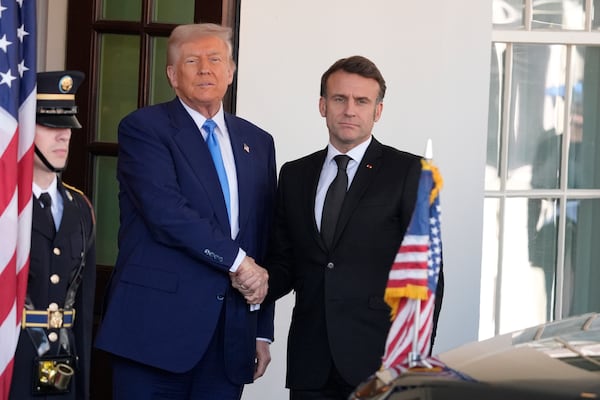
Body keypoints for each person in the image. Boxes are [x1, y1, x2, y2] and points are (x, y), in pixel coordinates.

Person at [94, 23, 277, 400]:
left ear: (231, 71)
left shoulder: (257, 142)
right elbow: (166, 212)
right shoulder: (144, 129)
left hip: (229, 338)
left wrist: (260, 329)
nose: (205, 69)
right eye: (192, 61)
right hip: (154, 334)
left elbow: (262, 235)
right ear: (173, 76)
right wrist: (239, 264)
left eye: (215, 59)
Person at [259, 56, 444, 399]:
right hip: (310, 361)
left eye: (362, 101)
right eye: (339, 99)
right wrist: (256, 282)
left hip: (381, 361)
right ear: (322, 105)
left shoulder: (409, 172)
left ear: (378, 111)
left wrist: (414, 357)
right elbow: (285, 262)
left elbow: (427, 274)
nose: (349, 110)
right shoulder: (294, 174)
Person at [10, 71, 96, 399]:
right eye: (50, 126)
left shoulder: (80, 208)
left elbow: (84, 311)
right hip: (12, 359)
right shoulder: (8, 208)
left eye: (68, 127)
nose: (64, 137)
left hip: (62, 362)